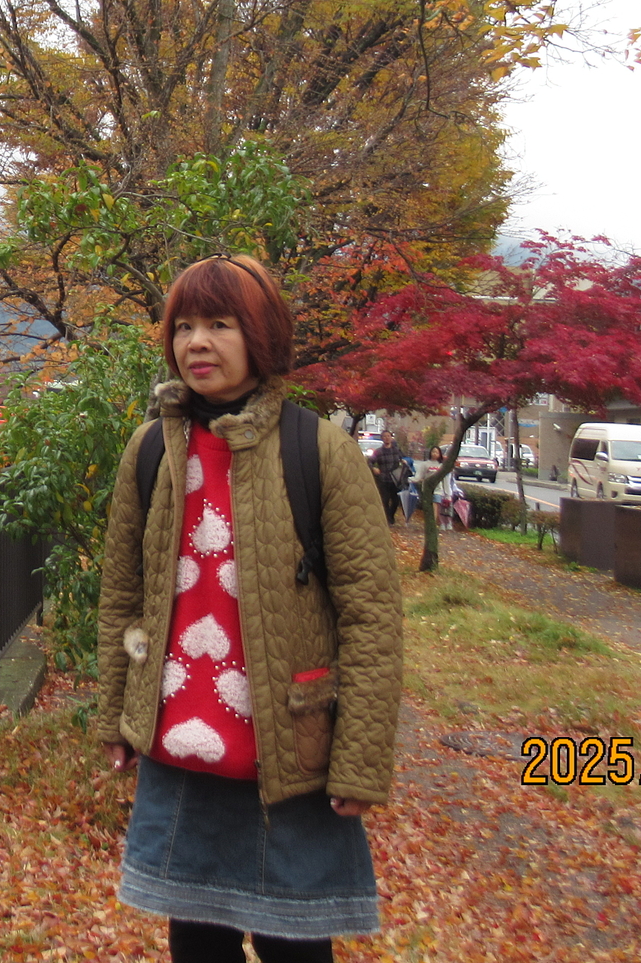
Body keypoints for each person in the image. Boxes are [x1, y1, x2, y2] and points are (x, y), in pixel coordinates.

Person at [95, 255, 403, 963]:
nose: (197, 343)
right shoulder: (151, 449)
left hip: (289, 760)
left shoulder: (318, 450)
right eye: (184, 327)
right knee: (196, 947)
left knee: (296, 949)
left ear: (260, 335)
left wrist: (360, 763)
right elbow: (122, 596)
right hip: (181, 757)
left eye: (220, 325)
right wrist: (116, 717)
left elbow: (371, 616)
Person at [370, 432, 408, 526]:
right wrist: (374, 468)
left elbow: (406, 459)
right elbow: (370, 461)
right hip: (383, 479)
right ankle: (388, 519)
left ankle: (391, 516)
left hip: (395, 480)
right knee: (385, 500)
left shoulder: (396, 450)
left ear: (391, 438)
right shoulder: (378, 451)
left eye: (388, 436)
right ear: (382, 438)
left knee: (395, 501)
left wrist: (404, 461)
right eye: (384, 436)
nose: (387, 438)